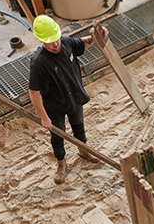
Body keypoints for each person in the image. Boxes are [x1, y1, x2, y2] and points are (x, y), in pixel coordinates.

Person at [28, 15, 107, 184]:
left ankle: (83, 150)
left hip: (74, 96)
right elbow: (34, 92)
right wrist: (43, 116)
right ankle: (61, 163)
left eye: (56, 39)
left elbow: (82, 43)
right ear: (41, 40)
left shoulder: (66, 42)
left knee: (79, 125)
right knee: (58, 136)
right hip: (54, 105)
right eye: (49, 42)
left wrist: (95, 37)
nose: (55, 44)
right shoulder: (38, 62)